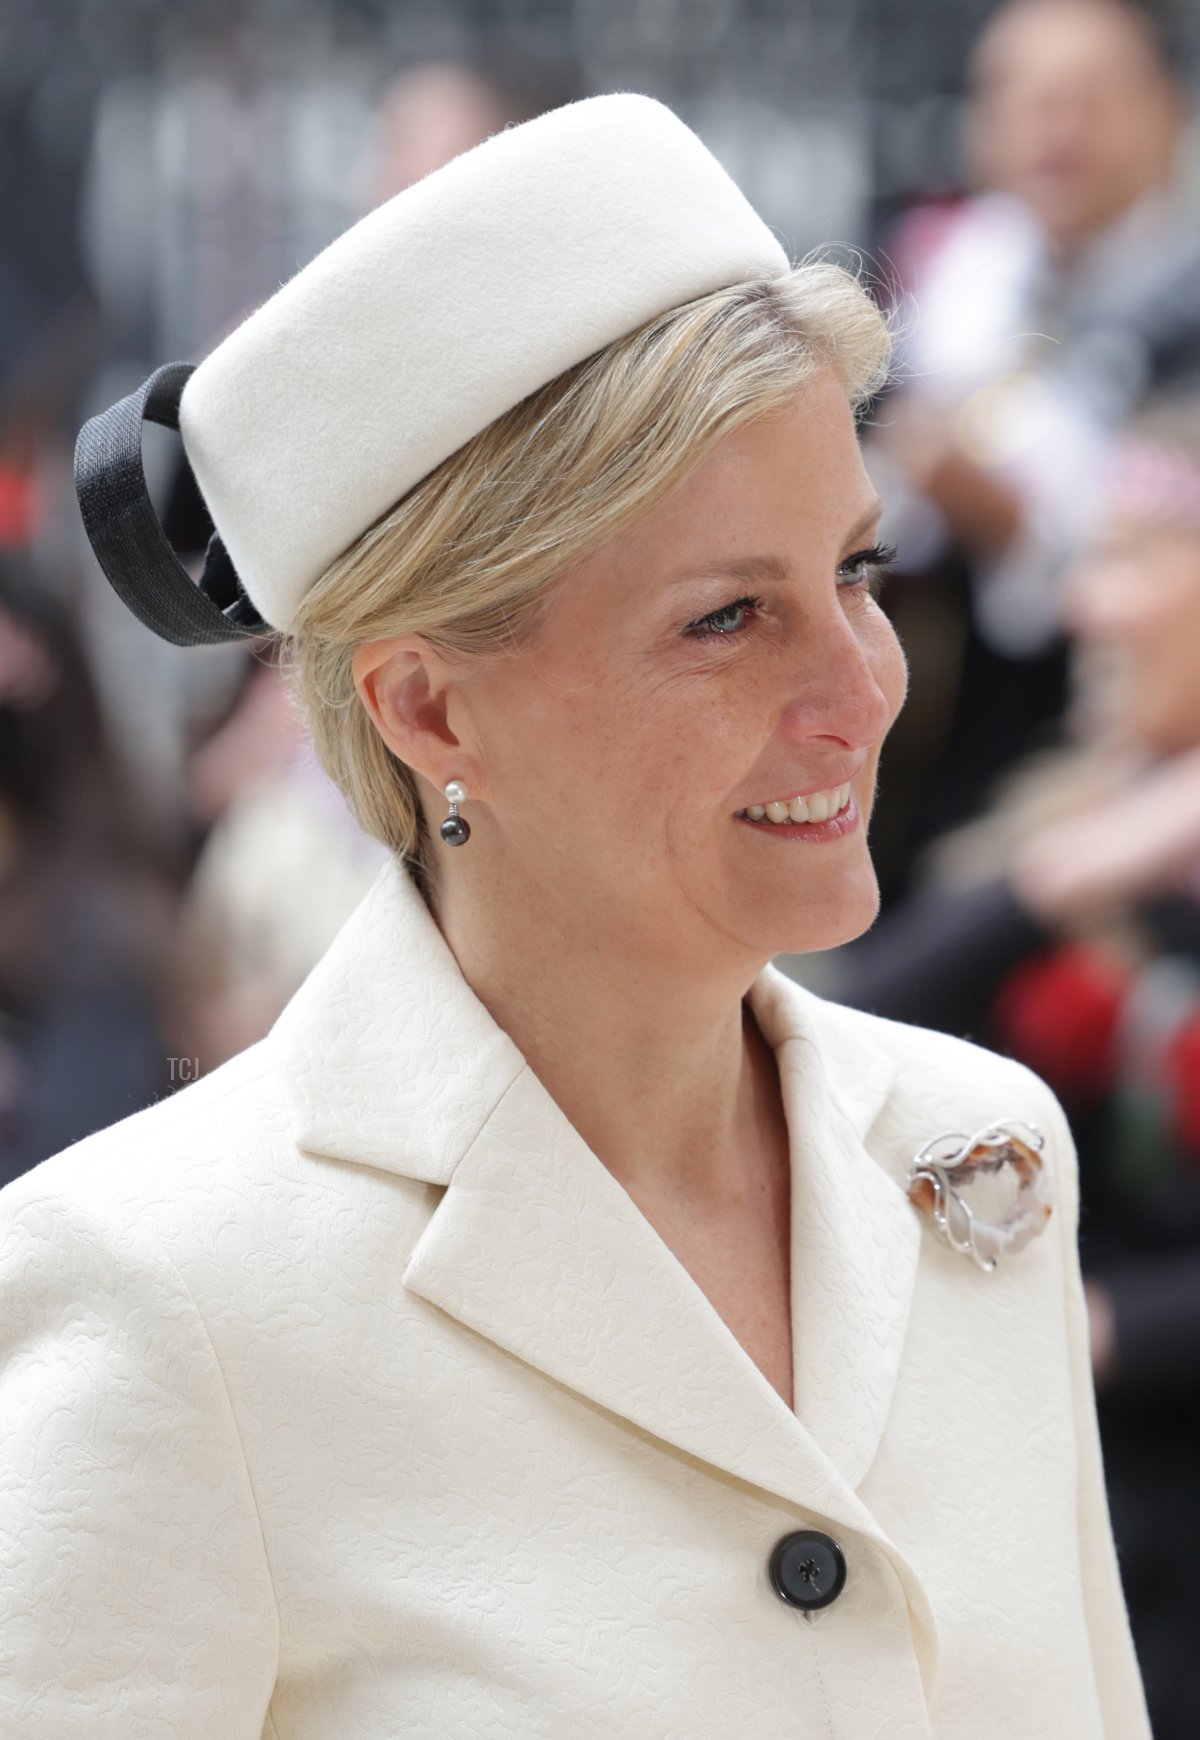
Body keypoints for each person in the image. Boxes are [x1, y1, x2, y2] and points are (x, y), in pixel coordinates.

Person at [1, 94, 1150, 1737]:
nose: (857, 686)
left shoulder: (980, 1152)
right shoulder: (156, 1283)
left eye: (860, 571)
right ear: (431, 711)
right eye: (731, 615)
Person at [867, 0, 1200, 887]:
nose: (1056, 131)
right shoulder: (943, 288)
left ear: (1169, 111)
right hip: (928, 753)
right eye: (1022, 99)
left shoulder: (1183, 313)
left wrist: (1020, 528)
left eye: (1088, 97)